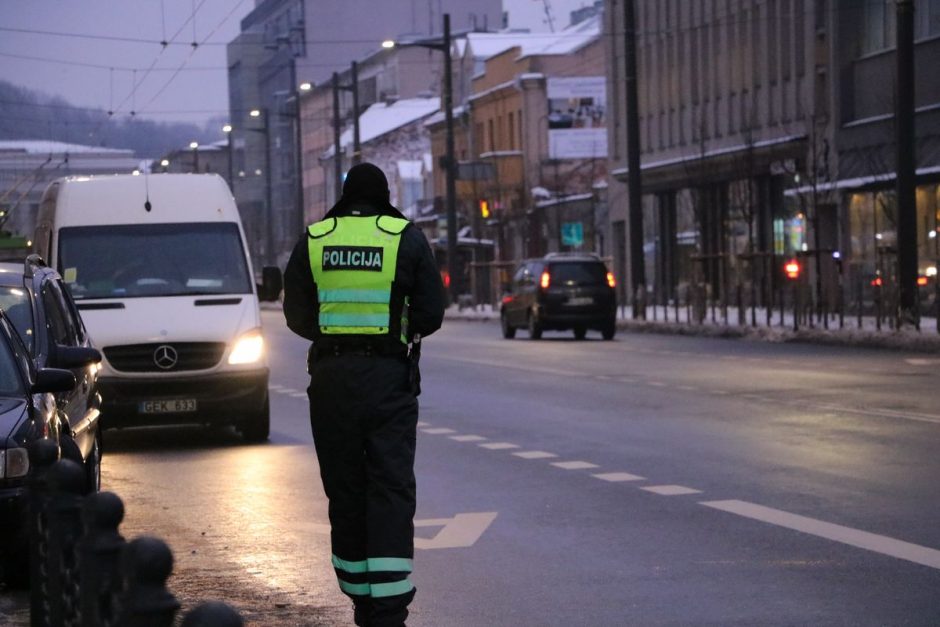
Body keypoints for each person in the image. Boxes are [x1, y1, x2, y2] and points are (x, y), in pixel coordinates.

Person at [283, 162, 445, 627]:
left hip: (333, 381)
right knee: (390, 487)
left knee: (346, 487)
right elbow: (431, 313)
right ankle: (390, 608)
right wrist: (397, 331)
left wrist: (333, 335)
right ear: (385, 194)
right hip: (389, 379)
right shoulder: (404, 237)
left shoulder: (315, 238)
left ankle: (359, 597)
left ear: (344, 194)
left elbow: (296, 314)